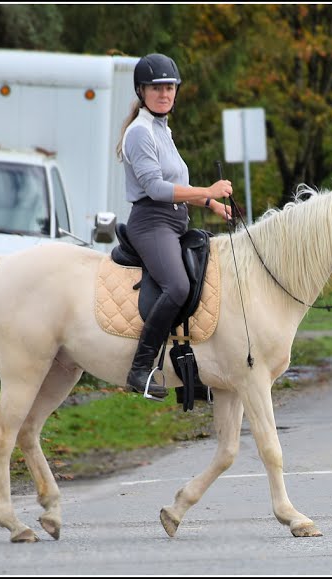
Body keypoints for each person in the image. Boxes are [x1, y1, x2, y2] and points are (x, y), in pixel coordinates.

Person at [115, 53, 233, 400]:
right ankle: (140, 369)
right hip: (151, 223)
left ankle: (195, 367)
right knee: (178, 287)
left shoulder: (162, 130)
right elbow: (156, 188)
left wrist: (211, 204)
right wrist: (207, 191)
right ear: (142, 91)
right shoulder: (139, 133)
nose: (164, 94)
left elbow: (176, 184)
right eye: (156, 88)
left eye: (169, 87)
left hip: (175, 220)